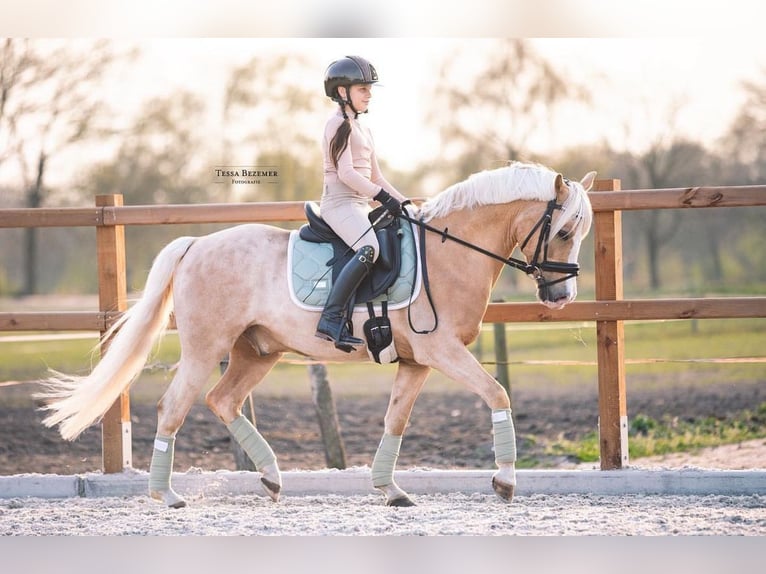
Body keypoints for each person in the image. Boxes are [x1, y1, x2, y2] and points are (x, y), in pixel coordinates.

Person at [315, 55, 409, 351]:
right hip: (339, 203)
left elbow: (377, 177)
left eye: (369, 89)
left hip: (358, 204)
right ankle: (330, 318)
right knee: (369, 248)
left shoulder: (363, 129)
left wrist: (405, 203)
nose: (369, 94)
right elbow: (346, 173)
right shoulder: (337, 125)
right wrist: (381, 198)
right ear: (343, 92)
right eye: (362, 89)